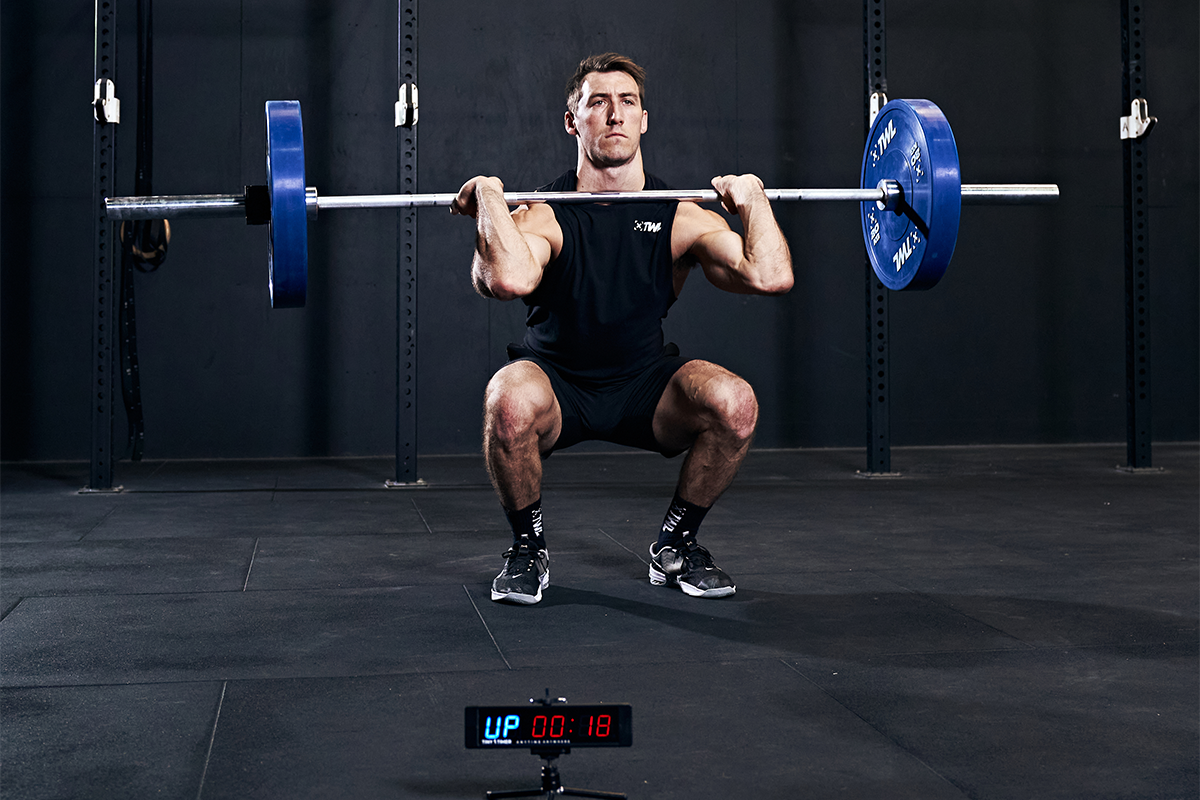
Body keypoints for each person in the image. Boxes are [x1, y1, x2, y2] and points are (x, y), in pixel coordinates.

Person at [452, 53, 793, 605]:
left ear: (643, 120)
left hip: (644, 385)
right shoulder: (544, 215)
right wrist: (491, 194)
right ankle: (527, 549)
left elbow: (771, 276)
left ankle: (676, 547)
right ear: (573, 121)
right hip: (557, 382)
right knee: (506, 400)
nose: (614, 114)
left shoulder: (680, 216)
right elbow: (507, 278)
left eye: (627, 103)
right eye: (598, 103)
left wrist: (753, 200)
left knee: (736, 403)